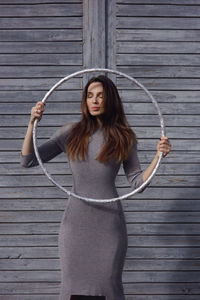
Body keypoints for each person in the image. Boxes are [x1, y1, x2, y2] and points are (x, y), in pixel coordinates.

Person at [20, 75, 171, 300]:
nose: (95, 100)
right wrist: (32, 123)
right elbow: (28, 160)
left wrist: (159, 156)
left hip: (109, 226)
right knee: (72, 288)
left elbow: (138, 183)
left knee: (108, 289)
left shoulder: (124, 137)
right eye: (90, 95)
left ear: (111, 100)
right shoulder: (70, 132)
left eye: (100, 95)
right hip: (75, 225)